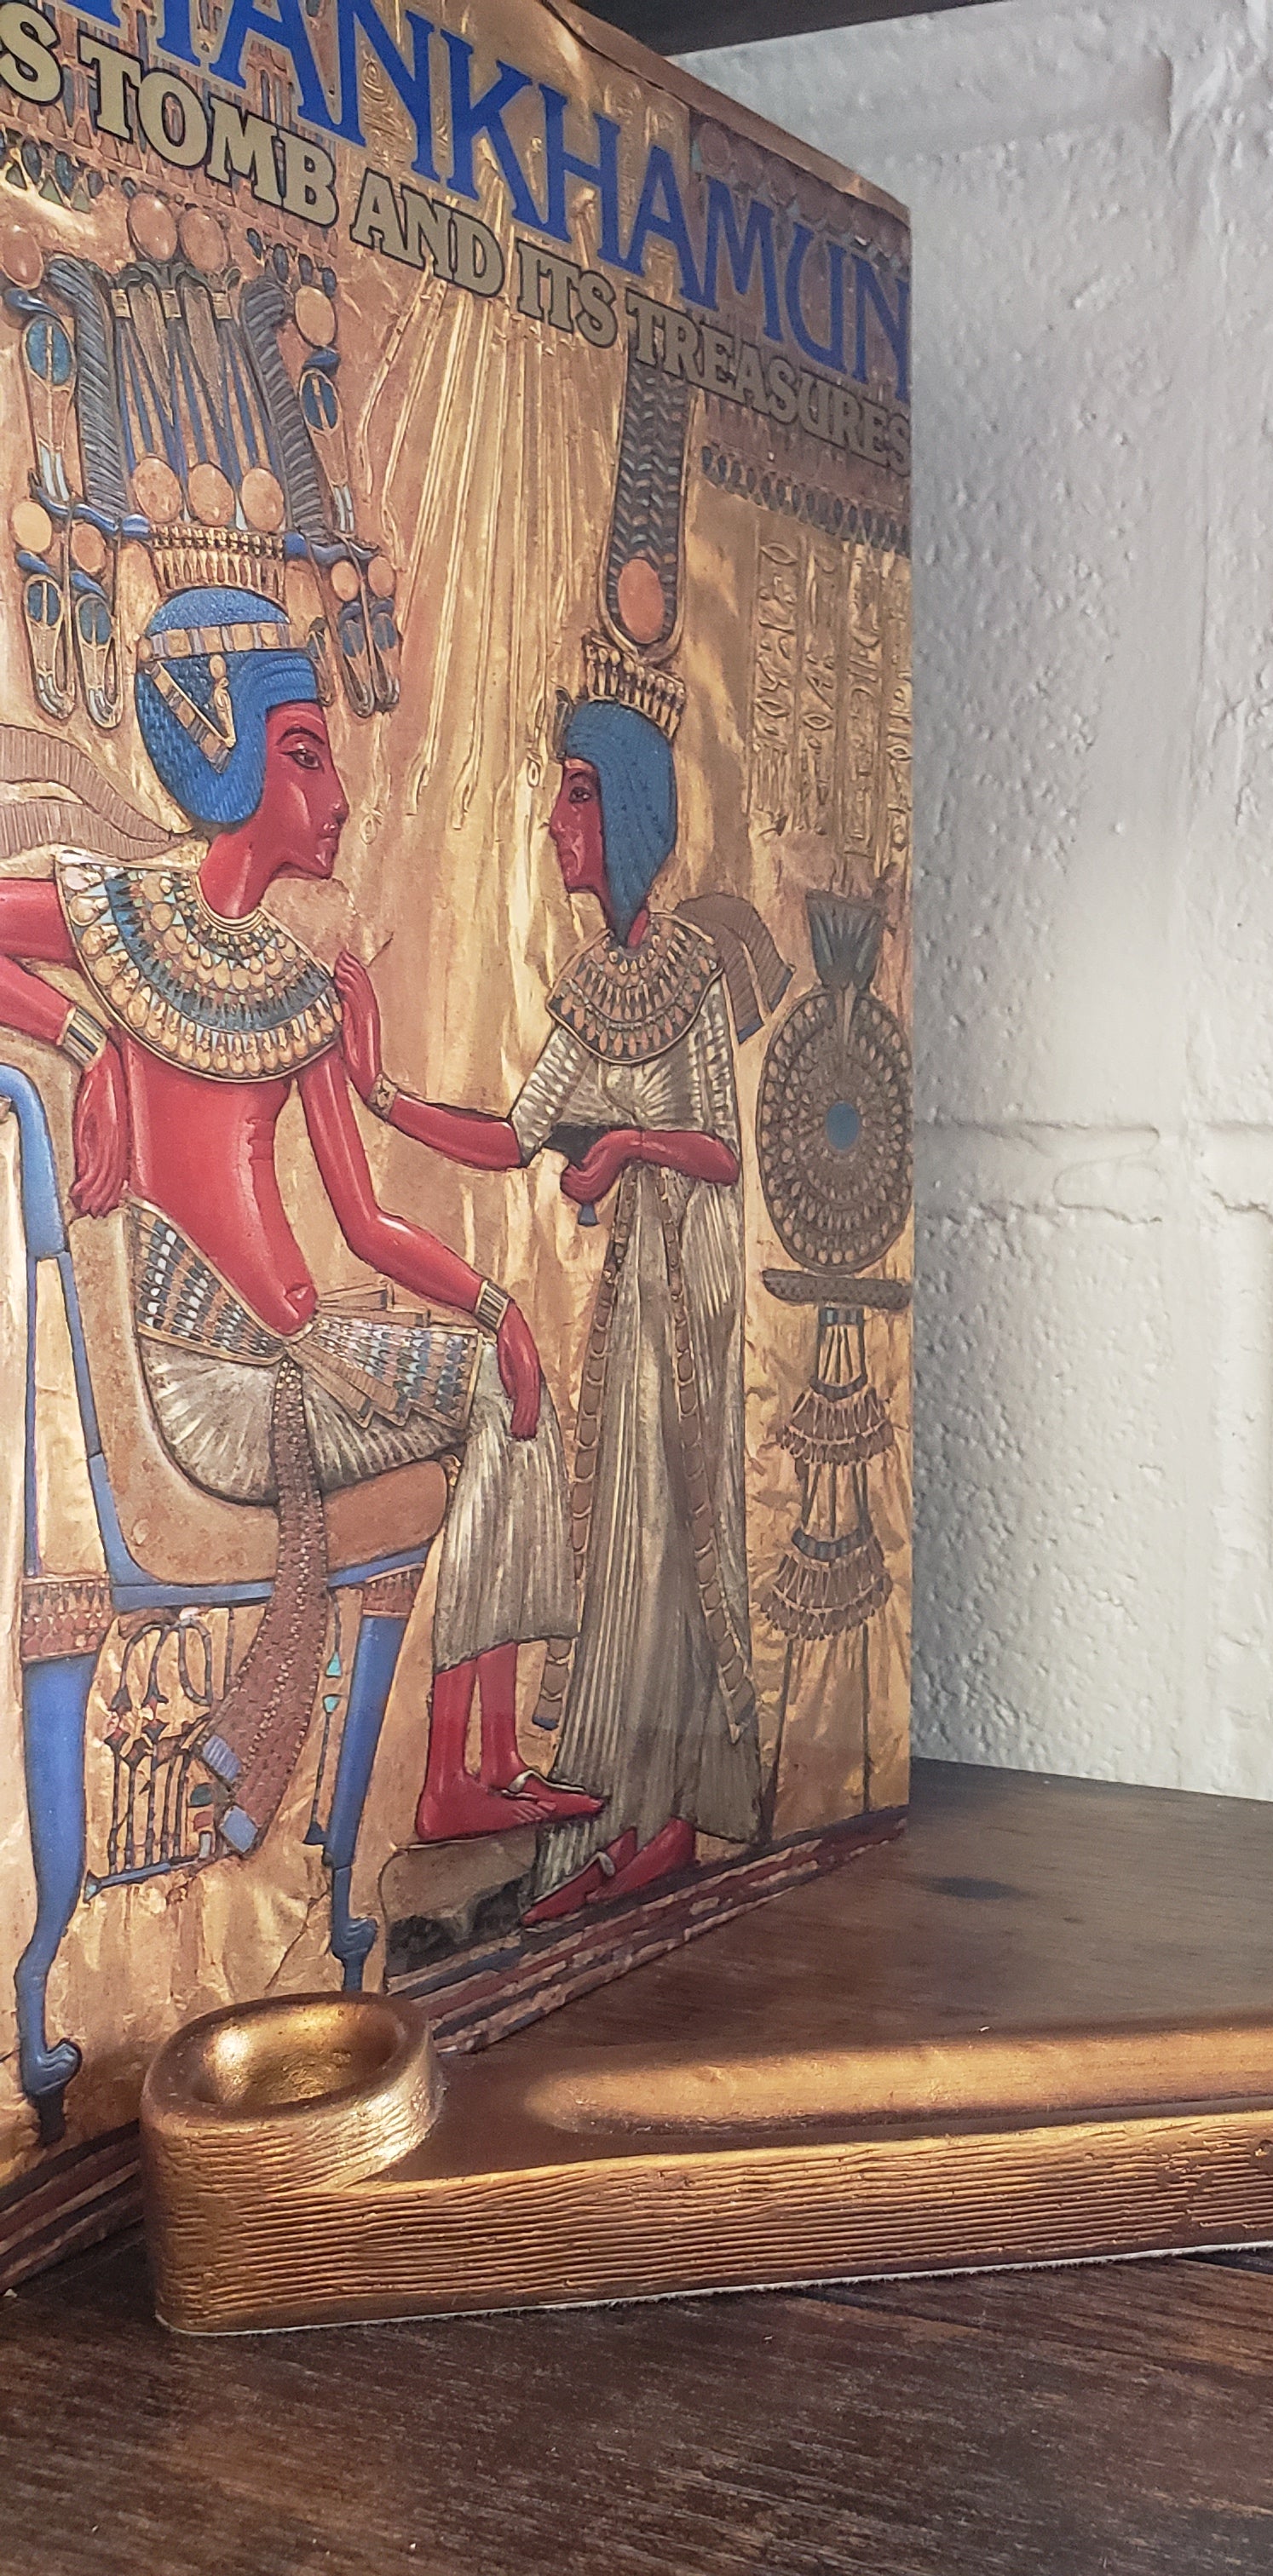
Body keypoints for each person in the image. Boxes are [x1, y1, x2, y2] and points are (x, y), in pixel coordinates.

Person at [0, 584, 596, 1849]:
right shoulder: (118, 915)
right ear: (223, 753)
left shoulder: (304, 974)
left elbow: (370, 1223)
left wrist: (498, 1306)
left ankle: (468, 1762)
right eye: (305, 758)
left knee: (504, 1369)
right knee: (497, 1396)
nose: (336, 801)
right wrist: (79, 1028)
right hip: (208, 1392)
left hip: (299, 1357)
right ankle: (458, 1767)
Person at [337, 685, 760, 1919]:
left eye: (576, 794)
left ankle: (668, 1816)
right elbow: (514, 1134)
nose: (556, 822)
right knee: (623, 1531)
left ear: (624, 813)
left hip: (695, 1282)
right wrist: (380, 1091)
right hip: (635, 1282)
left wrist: (627, 1149)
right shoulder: (593, 982)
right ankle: (624, 1823)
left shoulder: (683, 968)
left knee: (670, 1537)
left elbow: (723, 1152)